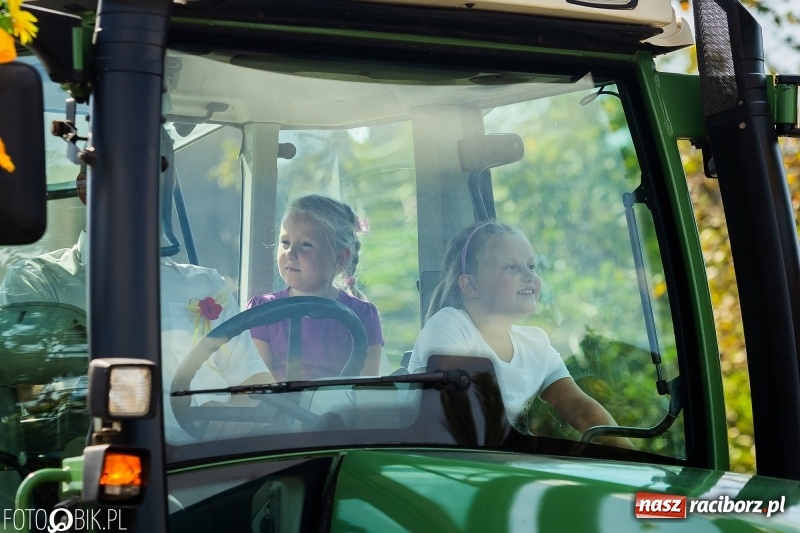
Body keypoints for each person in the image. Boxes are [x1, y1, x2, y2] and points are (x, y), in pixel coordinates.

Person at [0, 171, 274, 444]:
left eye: (161, 173)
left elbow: (254, 379)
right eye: (132, 168)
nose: (148, 189)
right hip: (107, 462)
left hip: (217, 461)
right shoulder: (37, 280)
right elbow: (36, 397)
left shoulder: (206, 282)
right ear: (85, 186)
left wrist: (238, 413)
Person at [409, 221, 631, 447]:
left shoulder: (536, 344)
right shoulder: (448, 326)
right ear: (470, 285)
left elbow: (579, 407)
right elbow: (462, 416)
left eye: (532, 266)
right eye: (511, 267)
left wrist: (632, 458)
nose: (529, 276)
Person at [247, 194, 383, 380]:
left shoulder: (363, 315)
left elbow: (366, 394)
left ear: (340, 258)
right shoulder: (260, 311)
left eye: (305, 244)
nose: (291, 253)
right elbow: (257, 387)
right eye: (285, 242)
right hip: (276, 408)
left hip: (340, 408)